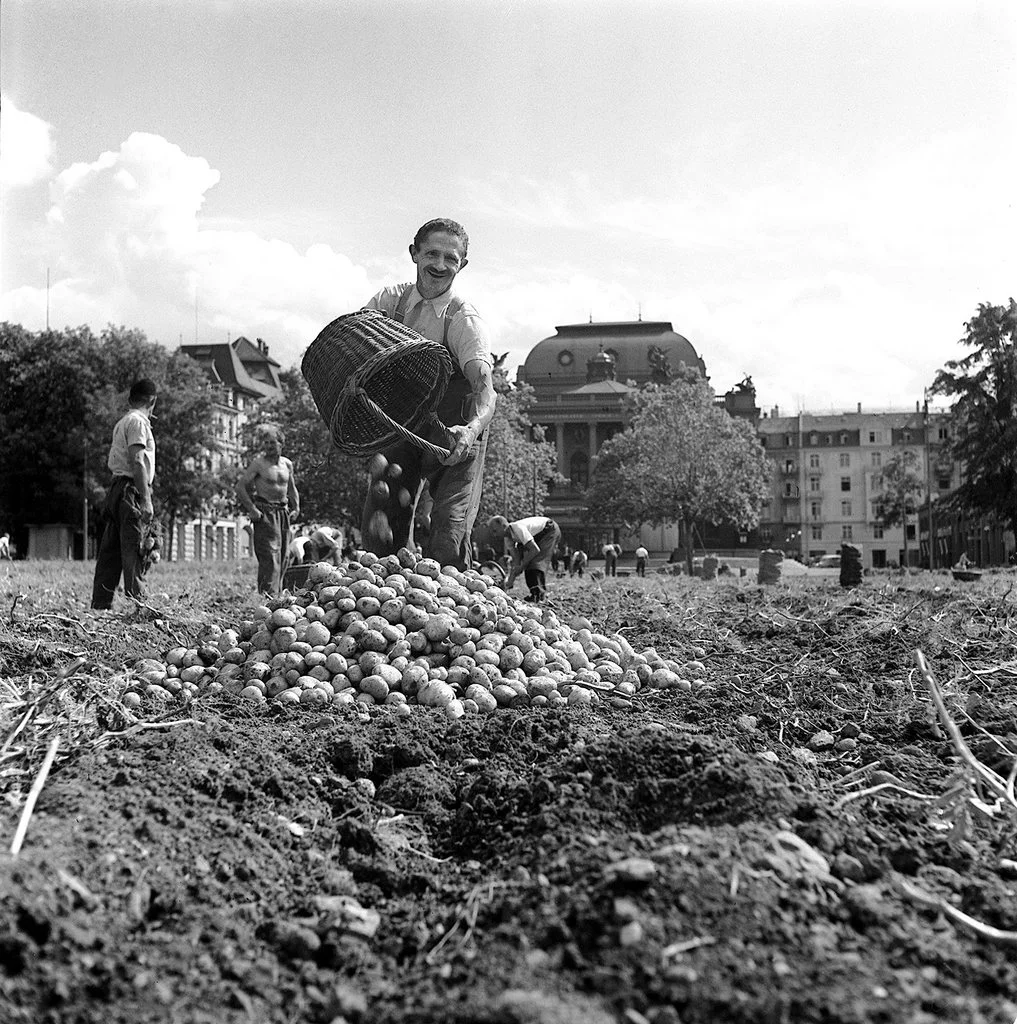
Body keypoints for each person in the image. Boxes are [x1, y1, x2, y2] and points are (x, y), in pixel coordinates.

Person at [360, 218, 497, 569]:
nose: (440, 265)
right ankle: (388, 607)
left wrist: (470, 431)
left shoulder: (463, 319)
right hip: (402, 420)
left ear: (461, 265)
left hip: (455, 430)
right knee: (381, 531)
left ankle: (455, 615)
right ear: (414, 254)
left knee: (447, 536)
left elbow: (485, 389)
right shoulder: (389, 303)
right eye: (431, 254)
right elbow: (355, 349)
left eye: (450, 258)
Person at [91, 379, 159, 609]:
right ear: (153, 402)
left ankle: (100, 605)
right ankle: (138, 606)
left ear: (130, 399)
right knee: (135, 548)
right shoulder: (139, 423)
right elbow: (138, 461)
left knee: (110, 550)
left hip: (116, 488)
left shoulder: (122, 422)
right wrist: (146, 499)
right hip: (131, 490)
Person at [238, 425, 300, 594]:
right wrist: (252, 509)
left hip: (283, 512)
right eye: (266, 443)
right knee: (270, 556)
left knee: (285, 556)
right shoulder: (259, 464)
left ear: (281, 443)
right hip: (265, 512)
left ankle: (279, 594)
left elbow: (291, 487)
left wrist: (296, 507)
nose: (268, 446)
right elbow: (241, 486)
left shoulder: (287, 464)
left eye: (272, 442)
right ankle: (267, 596)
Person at [486, 515, 561, 602]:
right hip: (536, 535)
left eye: (495, 531)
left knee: (535, 563)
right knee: (528, 561)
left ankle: (538, 595)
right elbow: (516, 559)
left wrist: (522, 566)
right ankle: (535, 593)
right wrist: (510, 580)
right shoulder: (508, 538)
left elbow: (535, 550)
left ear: (503, 526)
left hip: (549, 530)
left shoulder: (518, 528)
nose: (494, 535)